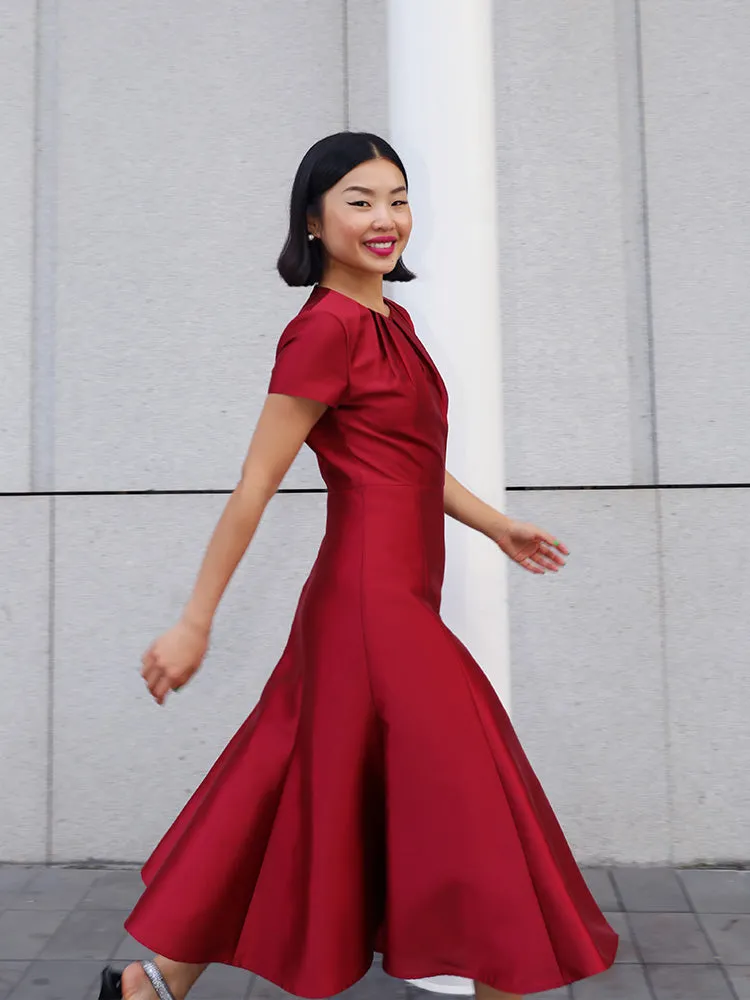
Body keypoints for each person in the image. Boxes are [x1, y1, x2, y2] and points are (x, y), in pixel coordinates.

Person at [99, 132, 618, 1000]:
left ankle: (151, 985)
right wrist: (197, 619)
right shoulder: (324, 331)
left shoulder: (391, 321)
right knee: (478, 805)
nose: (386, 219)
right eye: (360, 200)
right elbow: (256, 484)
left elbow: (407, 460)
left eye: (398, 199)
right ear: (313, 218)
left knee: (295, 777)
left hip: (393, 596)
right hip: (372, 606)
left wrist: (496, 526)